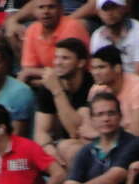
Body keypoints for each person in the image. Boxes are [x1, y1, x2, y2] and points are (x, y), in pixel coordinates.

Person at [33, 37, 94, 165]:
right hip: (59, 149)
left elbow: (74, 131)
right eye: (56, 57)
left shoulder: (91, 86)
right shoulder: (48, 85)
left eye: (65, 58)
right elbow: (41, 132)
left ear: (81, 63)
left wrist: (57, 91)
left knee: (70, 149)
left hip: (88, 143)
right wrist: (51, 154)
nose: (58, 63)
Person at [89, 0, 139, 96]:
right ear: (98, 12)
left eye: (114, 7)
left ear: (124, 8)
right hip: (120, 86)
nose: (110, 13)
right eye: (105, 9)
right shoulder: (97, 36)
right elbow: (97, 71)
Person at [87, 45, 139, 141]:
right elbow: (88, 127)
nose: (96, 72)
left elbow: (135, 134)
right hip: (111, 140)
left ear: (117, 68)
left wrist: (96, 135)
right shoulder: (97, 89)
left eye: (101, 67)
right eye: (94, 68)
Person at [17, 0, 89, 85]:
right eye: (41, 7)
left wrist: (36, 76)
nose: (46, 11)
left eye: (51, 7)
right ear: (34, 11)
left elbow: (70, 69)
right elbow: (28, 69)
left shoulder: (72, 26)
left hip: (77, 82)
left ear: (61, 10)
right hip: (48, 80)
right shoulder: (32, 29)